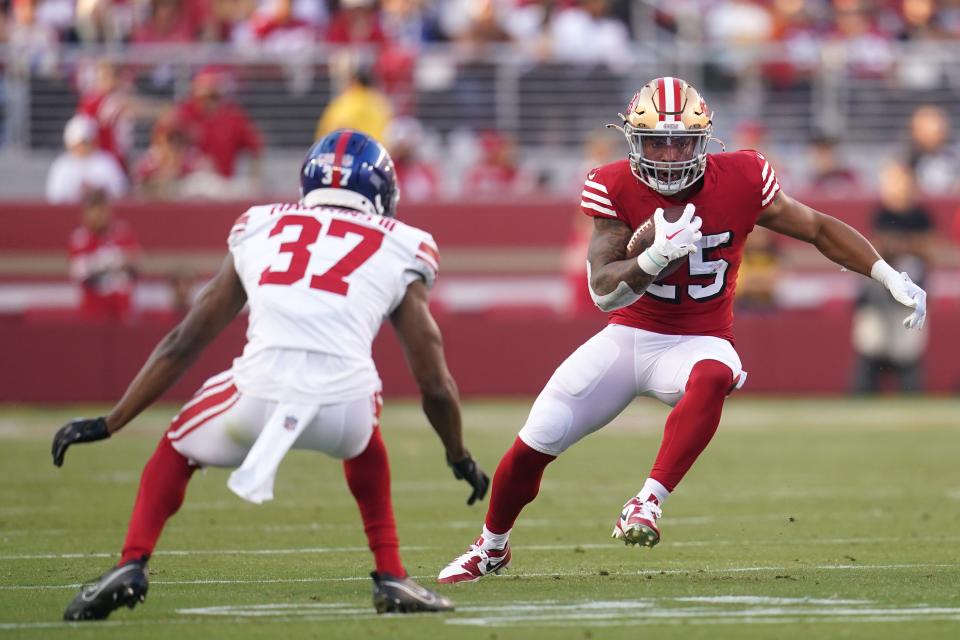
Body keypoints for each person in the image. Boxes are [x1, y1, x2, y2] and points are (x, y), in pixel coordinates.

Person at [437, 76, 927, 583]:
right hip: (629, 334)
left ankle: (647, 502)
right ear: (633, 140)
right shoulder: (611, 184)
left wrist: (887, 273)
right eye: (656, 142)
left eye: (681, 142)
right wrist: (651, 258)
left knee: (718, 371)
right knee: (534, 443)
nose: (669, 155)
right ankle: (490, 548)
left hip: (698, 339)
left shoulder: (742, 176)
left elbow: (819, 228)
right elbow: (603, 290)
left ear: (705, 140)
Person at [51, 130, 489, 619]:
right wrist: (458, 454)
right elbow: (433, 378)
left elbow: (185, 340)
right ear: (382, 192)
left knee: (176, 445)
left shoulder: (259, 225)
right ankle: (390, 574)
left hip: (254, 395)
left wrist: (111, 421)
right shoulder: (403, 243)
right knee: (365, 431)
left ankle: (132, 561)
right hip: (345, 409)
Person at [851, 162, 933, 393]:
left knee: (908, 358)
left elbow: (929, 250)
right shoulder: (880, 213)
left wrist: (902, 245)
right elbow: (873, 249)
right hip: (877, 300)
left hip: (909, 302)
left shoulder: (920, 215)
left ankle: (912, 400)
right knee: (869, 353)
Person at [67, 188, 140, 320]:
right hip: (93, 313)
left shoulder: (122, 232)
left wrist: (102, 263)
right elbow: (82, 273)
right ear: (86, 214)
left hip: (123, 310)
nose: (101, 216)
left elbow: (133, 263)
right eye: (96, 211)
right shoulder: (80, 238)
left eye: (104, 210)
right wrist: (114, 262)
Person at [46, 114, 128, 204]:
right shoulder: (61, 166)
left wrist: (97, 191)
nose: (82, 147)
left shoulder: (106, 162)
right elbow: (54, 197)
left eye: (85, 142)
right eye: (78, 143)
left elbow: (120, 191)